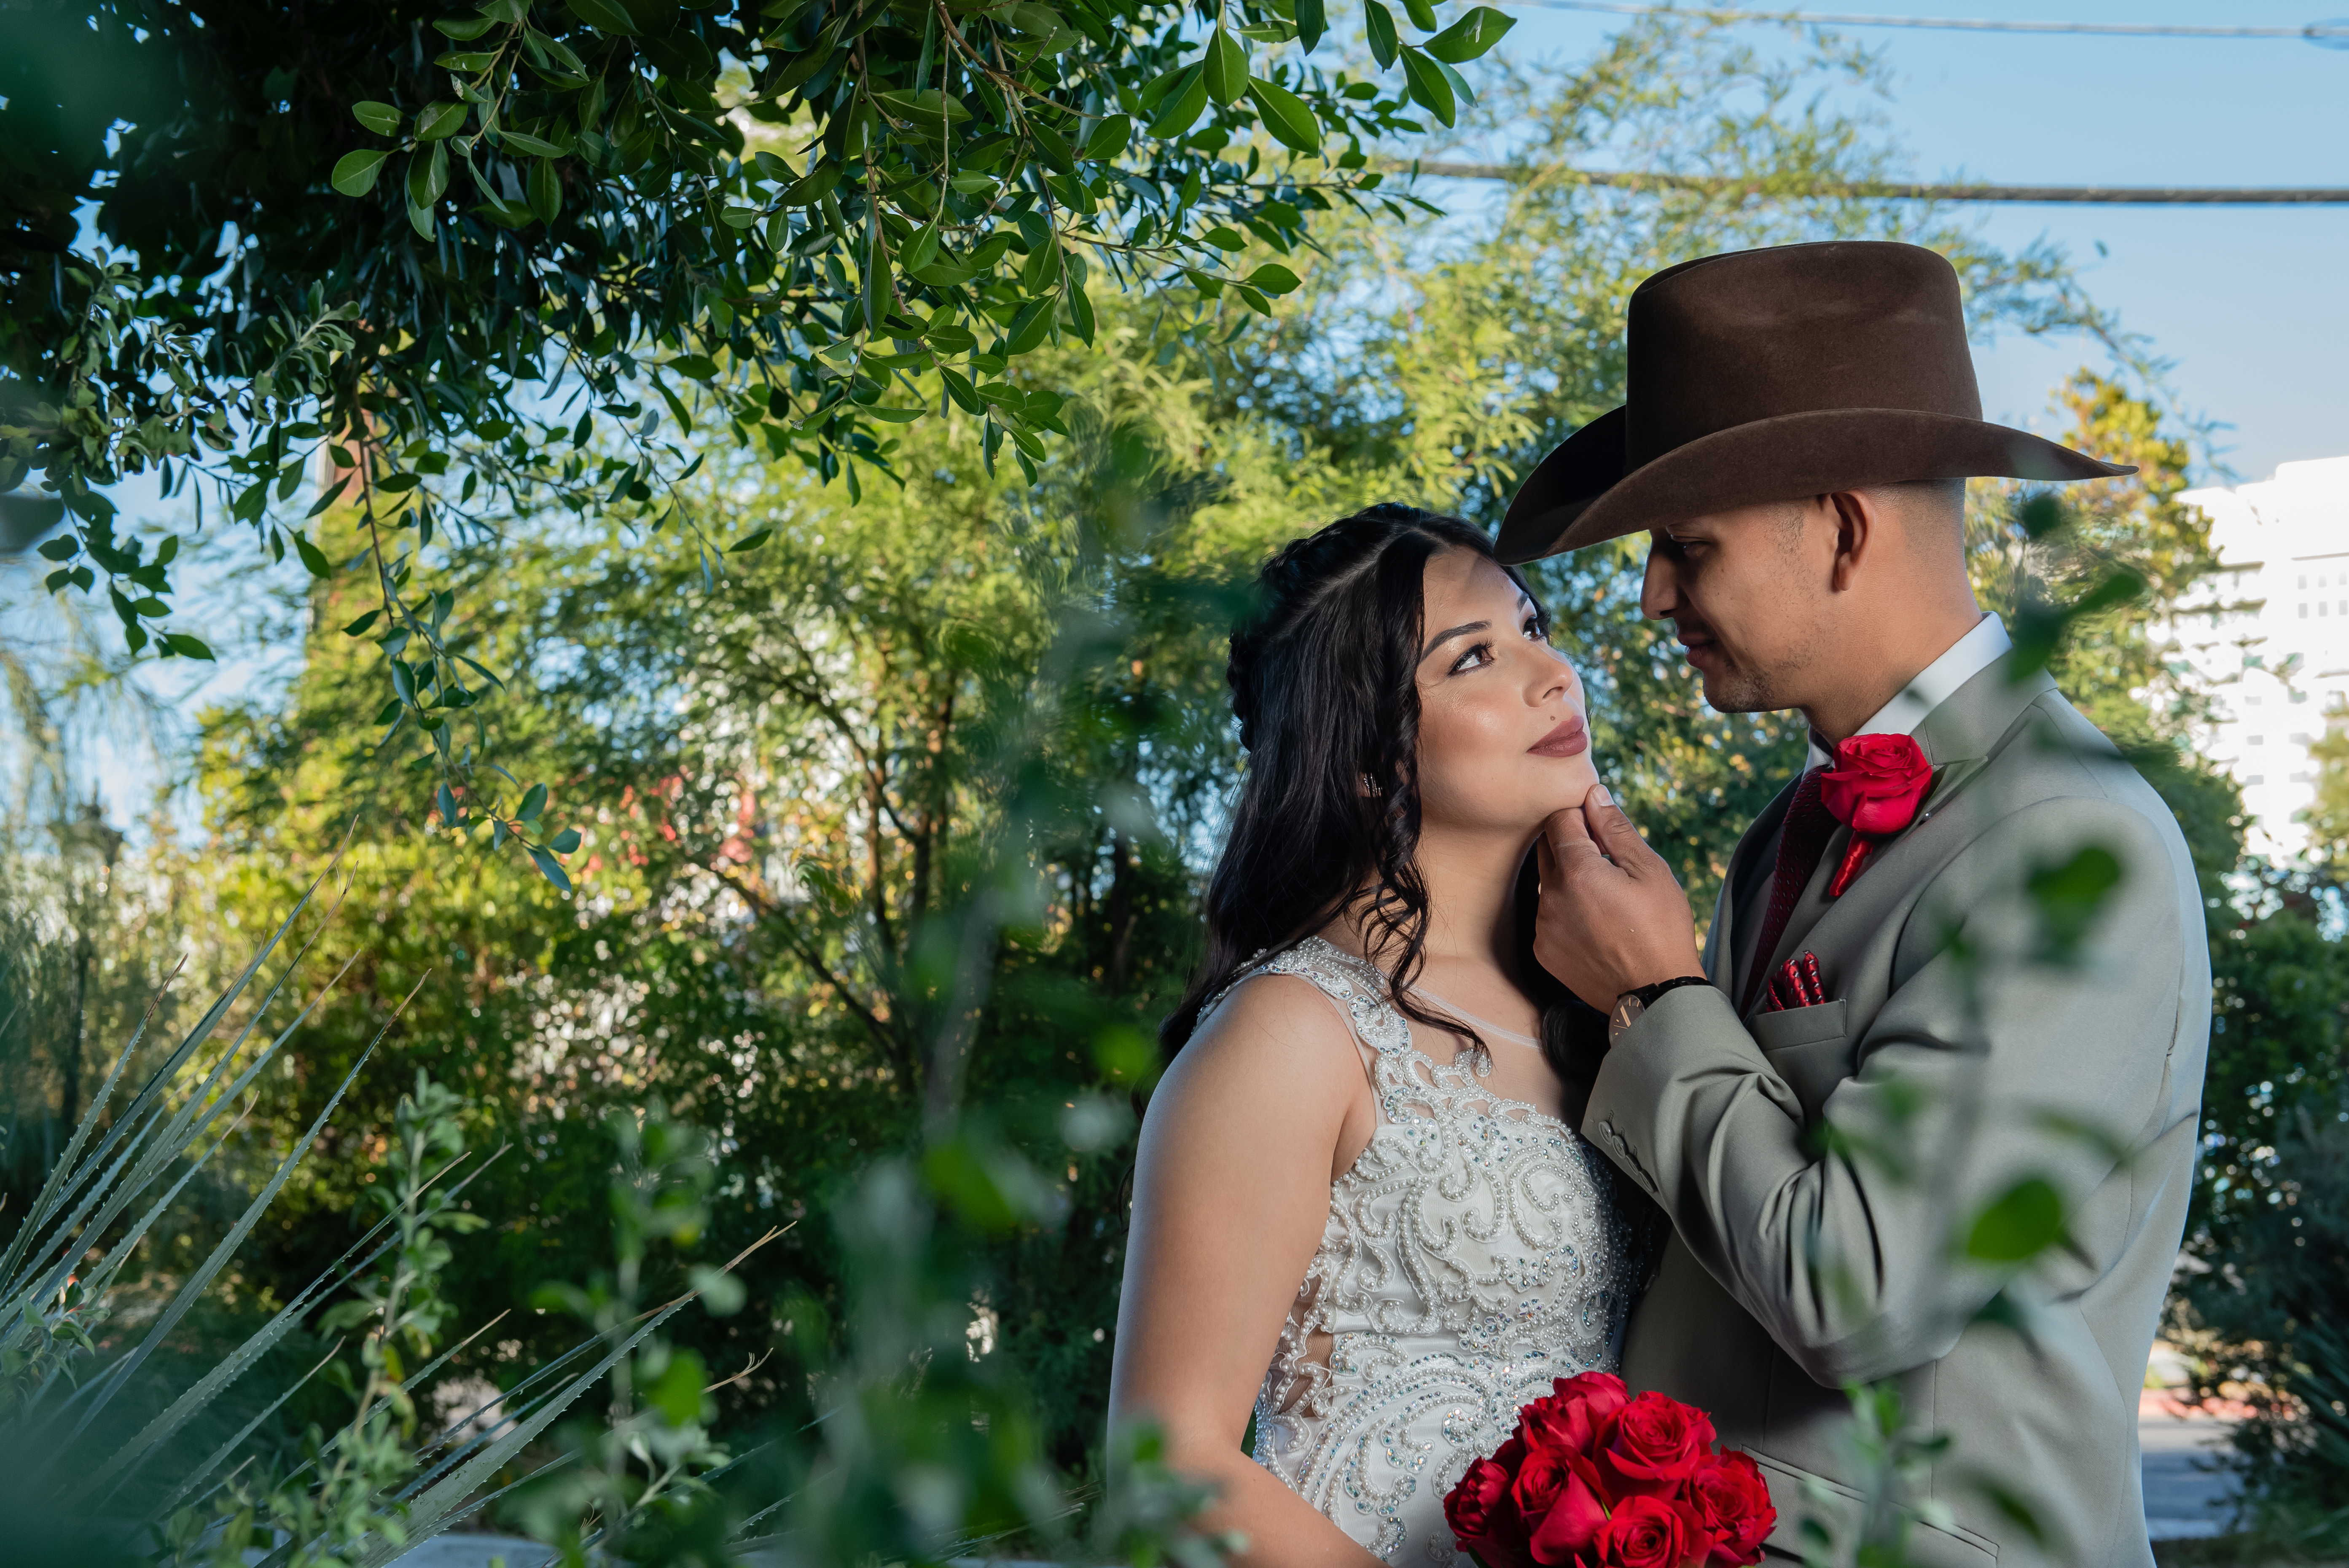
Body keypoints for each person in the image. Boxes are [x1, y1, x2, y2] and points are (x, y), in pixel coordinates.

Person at [1500, 240, 2211, 1568]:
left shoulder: (2068, 839)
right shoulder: (1783, 834)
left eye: (1685, 549)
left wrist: (1655, 993)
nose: (1653, 597)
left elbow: (1856, 1291)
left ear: (1840, 528)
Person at [1108, 505, 1651, 1564]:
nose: (1553, 675)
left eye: (1533, 629)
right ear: (1366, 753)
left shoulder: (1598, 1010)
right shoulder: (1293, 1031)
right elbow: (1165, 1464)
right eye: (1473, 658)